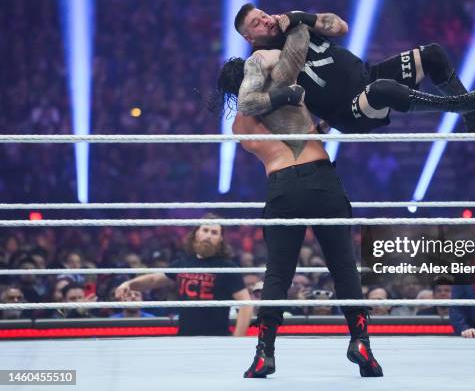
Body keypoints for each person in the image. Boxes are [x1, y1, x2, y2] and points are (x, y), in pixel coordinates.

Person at [218, 23, 383, 378]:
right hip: (321, 180)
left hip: (281, 187)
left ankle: (265, 353)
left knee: (278, 272)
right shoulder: (287, 92)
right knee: (342, 266)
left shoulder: (239, 129)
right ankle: (362, 343)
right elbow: (309, 127)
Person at [230, 4, 475, 134]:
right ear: (248, 37)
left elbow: (341, 27)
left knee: (433, 54)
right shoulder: (261, 58)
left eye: (263, 15)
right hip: (349, 111)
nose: (265, 21)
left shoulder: (296, 25)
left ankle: (474, 116)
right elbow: (248, 101)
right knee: (379, 91)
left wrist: (301, 16)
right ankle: (454, 106)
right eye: (256, 23)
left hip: (368, 76)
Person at [115, 217, 253, 336]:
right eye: (205, 230)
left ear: (221, 239)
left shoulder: (227, 267)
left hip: (217, 339)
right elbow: (154, 279)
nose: (209, 235)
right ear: (196, 234)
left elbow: (245, 303)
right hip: (185, 338)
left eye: (214, 232)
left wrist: (237, 339)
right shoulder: (184, 262)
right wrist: (129, 284)